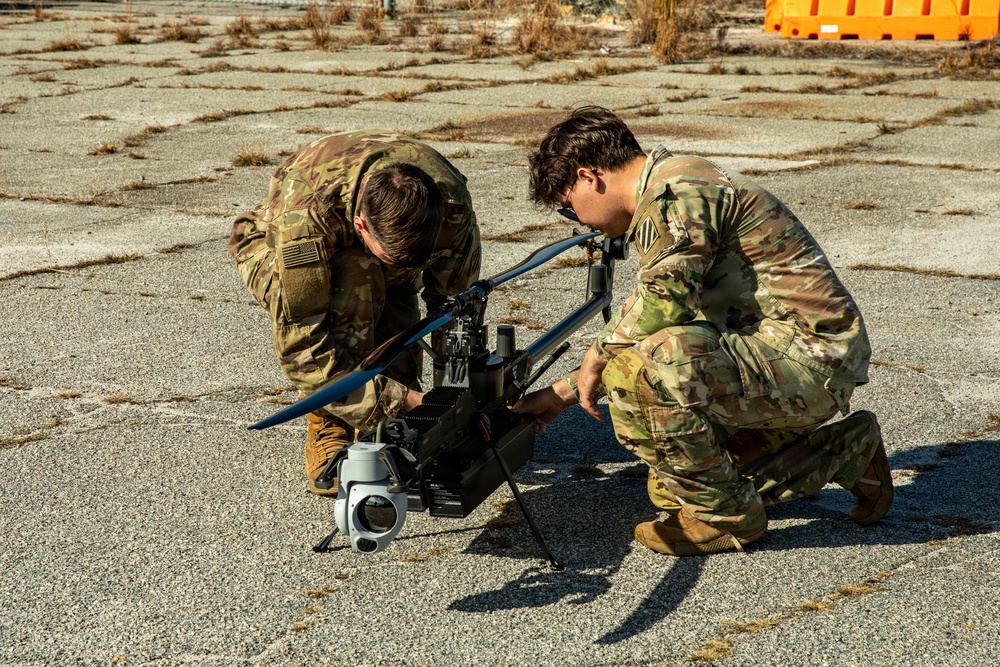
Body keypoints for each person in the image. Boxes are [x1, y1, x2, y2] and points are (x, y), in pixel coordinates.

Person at [513, 106, 891, 556]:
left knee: (638, 374)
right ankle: (847, 450)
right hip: (784, 354)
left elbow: (664, 303)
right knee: (672, 484)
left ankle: (727, 519)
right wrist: (562, 393)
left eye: (568, 208)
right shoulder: (673, 185)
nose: (579, 221)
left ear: (589, 177)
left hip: (811, 359)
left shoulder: (676, 192)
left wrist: (596, 355)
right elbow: (656, 309)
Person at [230, 131, 481, 495]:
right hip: (276, 249)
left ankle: (378, 406)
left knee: (398, 374)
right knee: (358, 272)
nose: (406, 272)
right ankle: (328, 421)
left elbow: (457, 309)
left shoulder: (451, 206)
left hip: (372, 250)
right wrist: (402, 401)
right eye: (395, 260)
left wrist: (460, 396)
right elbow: (304, 351)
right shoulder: (306, 220)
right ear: (361, 225)